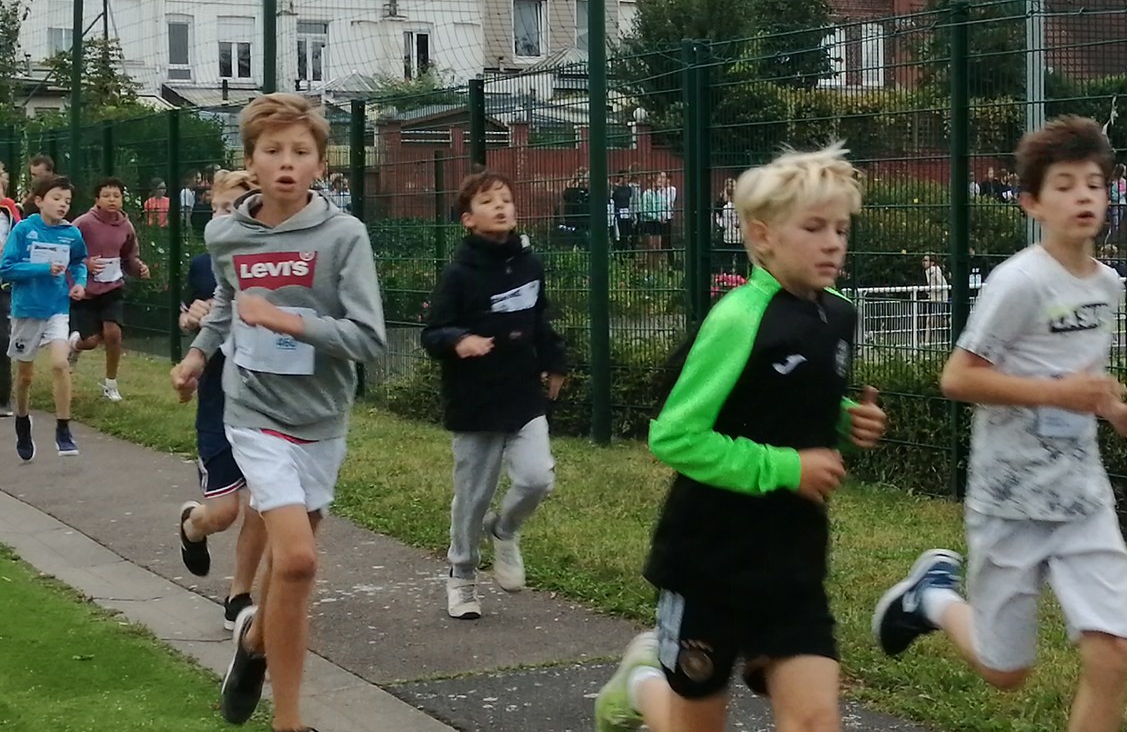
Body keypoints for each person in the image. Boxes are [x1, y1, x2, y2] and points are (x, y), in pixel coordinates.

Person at [870, 116, 1127, 732]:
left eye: (1093, 184)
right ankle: (932, 598)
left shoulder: (1107, 285)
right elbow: (958, 378)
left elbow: (1085, 378)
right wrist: (1059, 393)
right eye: (1065, 185)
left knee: (1112, 651)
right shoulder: (1018, 282)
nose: (1083, 197)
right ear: (1032, 203)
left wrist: (1116, 410)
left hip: (1082, 500)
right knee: (1005, 671)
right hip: (1010, 500)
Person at [594, 144, 887, 732]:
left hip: (794, 559)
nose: (833, 243)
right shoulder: (737, 319)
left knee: (816, 722)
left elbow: (787, 403)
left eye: (841, 228)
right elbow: (676, 437)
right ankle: (642, 684)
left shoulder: (839, 315)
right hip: (710, 560)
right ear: (762, 235)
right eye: (814, 228)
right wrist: (786, 468)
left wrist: (845, 421)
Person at [169, 93, 387, 732]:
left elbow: (370, 339)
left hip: (321, 416)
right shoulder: (225, 234)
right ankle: (288, 722)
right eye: (272, 151)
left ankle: (255, 640)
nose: (286, 163)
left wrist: (288, 320)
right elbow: (228, 302)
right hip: (253, 411)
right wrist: (198, 356)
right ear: (251, 161)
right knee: (297, 560)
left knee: (291, 570)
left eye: (300, 151)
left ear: (321, 163)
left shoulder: (344, 236)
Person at [420, 170, 567, 620]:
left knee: (538, 478)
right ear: (468, 219)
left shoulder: (529, 264)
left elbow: (539, 319)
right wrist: (459, 340)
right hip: (475, 402)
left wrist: (556, 361)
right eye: (487, 201)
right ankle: (462, 575)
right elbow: (432, 333)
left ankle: (504, 530)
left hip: (522, 394)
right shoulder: (459, 274)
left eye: (505, 198)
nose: (500, 206)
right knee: (473, 497)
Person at [176, 169, 268, 632]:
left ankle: (239, 595)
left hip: (267, 400)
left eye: (233, 208)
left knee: (263, 502)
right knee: (224, 512)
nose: (223, 218)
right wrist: (192, 321)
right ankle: (193, 525)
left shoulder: (274, 264)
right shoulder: (201, 266)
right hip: (219, 401)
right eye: (216, 209)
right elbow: (187, 319)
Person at [0, 175, 89, 459]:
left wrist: (79, 283)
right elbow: (6, 268)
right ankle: (22, 420)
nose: (62, 205)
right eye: (56, 198)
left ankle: (63, 429)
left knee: (60, 364)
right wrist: (42, 268)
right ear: (39, 201)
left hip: (57, 308)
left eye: (67, 201)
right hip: (26, 310)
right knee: (25, 376)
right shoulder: (24, 230)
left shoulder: (71, 234)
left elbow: (79, 262)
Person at [67, 177, 150, 403]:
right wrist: (86, 264)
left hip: (112, 287)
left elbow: (129, 256)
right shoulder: (83, 223)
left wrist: (139, 268)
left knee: (113, 333)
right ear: (97, 199)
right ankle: (75, 346)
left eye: (116, 196)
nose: (112, 200)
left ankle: (110, 384)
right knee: (91, 341)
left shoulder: (126, 226)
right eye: (106, 196)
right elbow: (65, 251)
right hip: (85, 290)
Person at [0, 165, 20, 418]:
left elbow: (20, 241)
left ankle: (2, 398)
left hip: (2, 284)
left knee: (1, 338)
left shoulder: (10, 212)